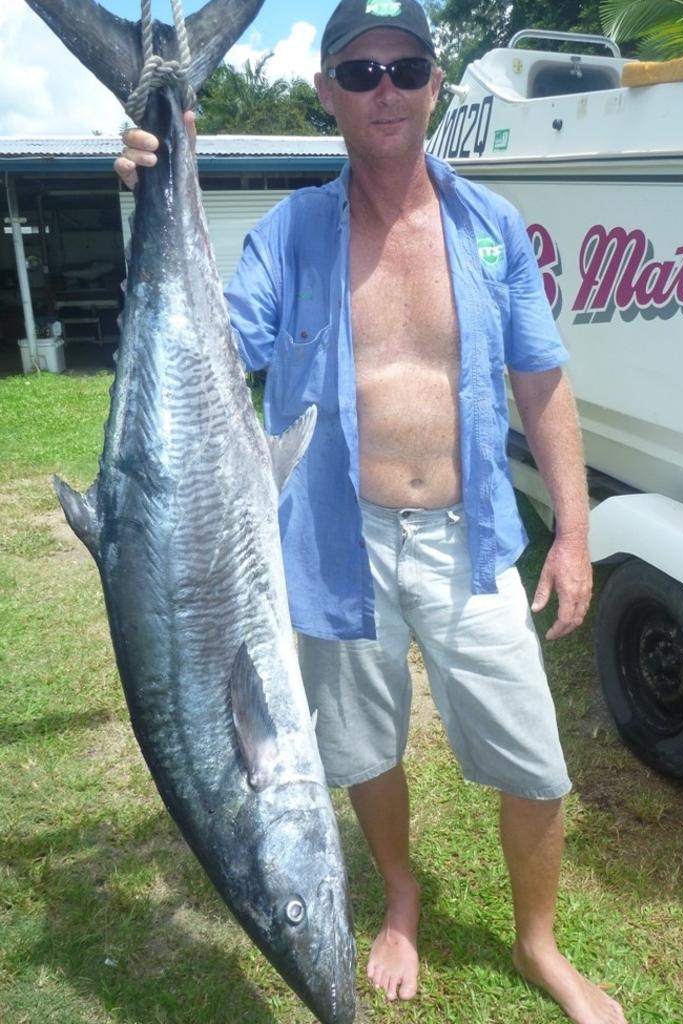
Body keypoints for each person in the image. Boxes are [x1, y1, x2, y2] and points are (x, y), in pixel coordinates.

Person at [116, 2, 626, 1021]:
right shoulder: (290, 234)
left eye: (404, 68)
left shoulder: (492, 229)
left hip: (468, 535)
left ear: (437, 81)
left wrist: (573, 531)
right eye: (360, 73)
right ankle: (398, 897)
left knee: (532, 753)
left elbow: (542, 381)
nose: (384, 89)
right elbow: (213, 349)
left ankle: (538, 943)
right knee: (359, 747)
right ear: (327, 93)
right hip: (331, 545)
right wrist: (152, 190)